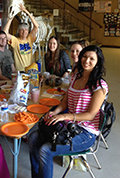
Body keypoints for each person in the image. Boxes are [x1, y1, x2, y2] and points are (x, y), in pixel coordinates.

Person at [29, 45, 108, 178]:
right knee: (33, 138)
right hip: (69, 126)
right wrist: (56, 112)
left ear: (98, 62)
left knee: (46, 150)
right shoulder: (75, 77)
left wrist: (64, 116)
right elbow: (65, 101)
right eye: (84, 56)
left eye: (92, 59)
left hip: (85, 133)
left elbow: (90, 115)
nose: (87, 61)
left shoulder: (99, 85)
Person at [3, 4, 39, 72]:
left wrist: (26, 11)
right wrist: (12, 17)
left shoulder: (30, 38)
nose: (24, 31)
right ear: (19, 31)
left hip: (30, 69)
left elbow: (36, 26)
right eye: (22, 29)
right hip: (20, 71)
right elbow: (4, 33)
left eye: (26, 29)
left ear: (28, 31)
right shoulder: (15, 41)